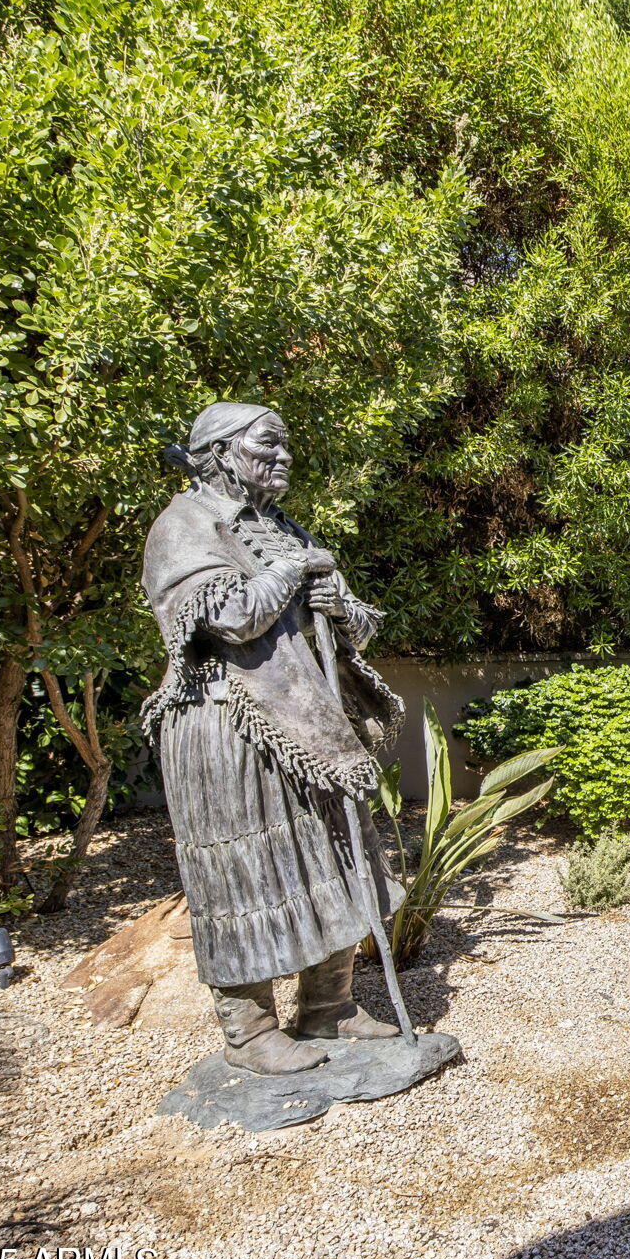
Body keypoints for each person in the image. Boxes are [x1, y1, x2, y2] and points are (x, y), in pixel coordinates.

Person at [141, 401, 405, 1074]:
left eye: (286, 446)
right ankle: (250, 1033)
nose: (283, 458)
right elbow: (230, 618)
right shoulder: (185, 526)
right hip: (231, 728)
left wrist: (339, 607)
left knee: (335, 857)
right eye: (268, 445)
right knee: (245, 876)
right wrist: (292, 574)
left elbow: (356, 623)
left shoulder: (279, 527)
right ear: (222, 451)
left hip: (308, 725)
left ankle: (330, 1008)